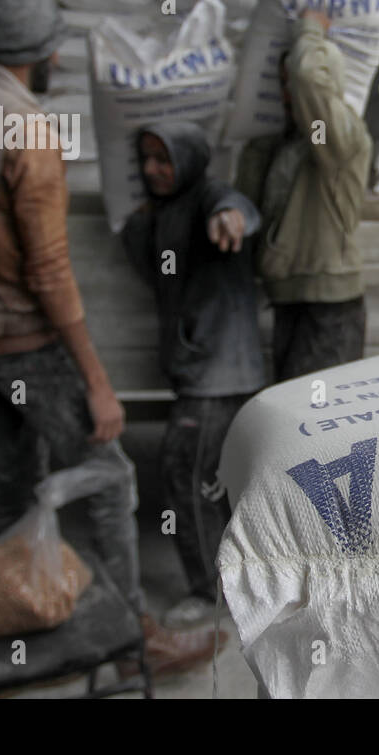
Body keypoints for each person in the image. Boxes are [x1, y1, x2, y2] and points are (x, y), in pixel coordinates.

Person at [0, 0, 222, 675]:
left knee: (16, 479)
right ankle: (132, 643)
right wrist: (97, 383)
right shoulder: (30, 131)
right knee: (111, 477)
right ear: (44, 53)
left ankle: (4, 614)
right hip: (29, 347)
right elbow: (50, 272)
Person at [121, 121, 264, 629]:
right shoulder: (162, 214)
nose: (153, 170)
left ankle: (210, 593)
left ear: (188, 159)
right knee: (214, 483)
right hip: (204, 371)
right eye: (147, 159)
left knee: (186, 476)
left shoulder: (209, 196)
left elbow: (235, 208)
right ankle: (237, 583)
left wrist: (232, 218)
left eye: (164, 159)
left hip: (217, 375)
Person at [235, 10, 373, 381]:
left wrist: (311, 30)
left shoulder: (338, 138)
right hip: (291, 299)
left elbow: (309, 77)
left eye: (291, 85)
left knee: (318, 427)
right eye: (281, 85)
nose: (287, 95)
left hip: (330, 305)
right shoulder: (284, 145)